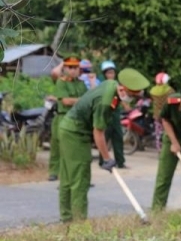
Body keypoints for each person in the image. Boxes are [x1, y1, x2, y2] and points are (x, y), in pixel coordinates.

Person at [58, 68, 149, 222]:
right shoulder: (106, 101)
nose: (131, 99)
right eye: (131, 95)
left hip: (68, 128)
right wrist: (107, 159)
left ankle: (67, 218)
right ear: (122, 89)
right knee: (80, 177)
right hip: (75, 132)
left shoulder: (111, 84)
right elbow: (98, 132)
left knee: (69, 176)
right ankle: (79, 223)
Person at [48, 56, 88, 182]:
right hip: (62, 117)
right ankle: (54, 171)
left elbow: (87, 100)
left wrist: (77, 101)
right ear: (65, 68)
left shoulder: (81, 84)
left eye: (75, 67)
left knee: (75, 148)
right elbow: (65, 101)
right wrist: (62, 64)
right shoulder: (61, 82)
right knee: (57, 146)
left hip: (77, 119)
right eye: (70, 67)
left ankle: (74, 175)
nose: (73, 70)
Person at [98, 60, 129, 169]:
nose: (111, 75)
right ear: (104, 74)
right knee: (104, 137)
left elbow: (122, 97)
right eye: (109, 73)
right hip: (105, 113)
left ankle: (120, 162)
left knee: (118, 137)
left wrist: (126, 105)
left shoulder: (117, 84)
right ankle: (103, 161)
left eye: (112, 72)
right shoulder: (101, 85)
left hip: (115, 113)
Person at [149, 72, 175, 151]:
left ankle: (159, 149)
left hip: (157, 115)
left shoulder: (152, 91)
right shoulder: (170, 90)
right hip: (167, 115)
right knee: (168, 132)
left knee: (158, 133)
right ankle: (167, 149)